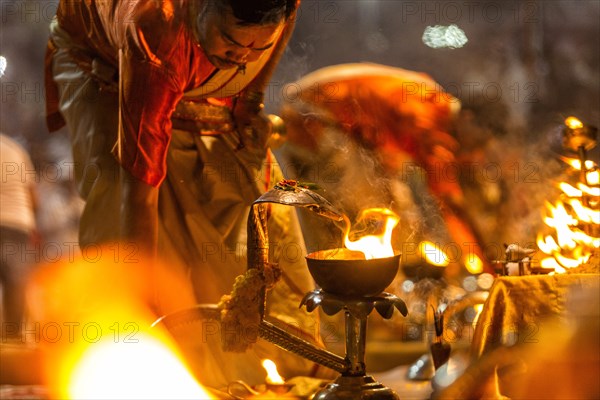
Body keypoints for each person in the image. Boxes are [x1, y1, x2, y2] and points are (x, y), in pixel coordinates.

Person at [44, 0, 325, 387]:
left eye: (255, 48)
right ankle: (142, 367)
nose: (242, 56)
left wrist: (252, 103)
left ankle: (258, 369)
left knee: (242, 204)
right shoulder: (156, 36)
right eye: (232, 42)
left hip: (197, 72)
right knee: (129, 219)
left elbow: (264, 38)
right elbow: (137, 188)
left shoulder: (277, 7)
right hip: (102, 66)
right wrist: (145, 308)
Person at [0, 133, 39, 342]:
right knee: (16, 285)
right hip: (18, 224)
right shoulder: (15, 149)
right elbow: (33, 197)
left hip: (14, 221)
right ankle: (13, 340)